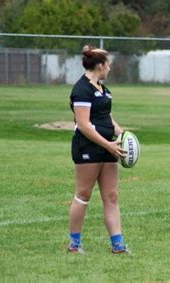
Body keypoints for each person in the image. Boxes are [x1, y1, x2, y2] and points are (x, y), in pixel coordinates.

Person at [68, 45, 128, 254]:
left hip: (108, 146)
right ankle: (74, 243)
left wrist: (122, 135)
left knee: (111, 196)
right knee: (83, 194)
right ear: (100, 65)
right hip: (88, 146)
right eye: (108, 64)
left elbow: (106, 118)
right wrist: (108, 144)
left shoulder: (104, 90)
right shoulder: (82, 89)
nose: (110, 68)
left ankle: (118, 244)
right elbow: (84, 124)